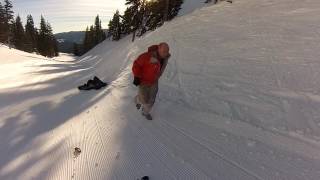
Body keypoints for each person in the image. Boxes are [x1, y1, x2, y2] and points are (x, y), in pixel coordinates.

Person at [132, 42, 171, 120]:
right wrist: (136, 76)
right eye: (164, 51)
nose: (165, 54)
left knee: (152, 99)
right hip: (143, 81)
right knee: (144, 99)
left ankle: (145, 112)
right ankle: (137, 100)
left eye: (167, 51)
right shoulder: (147, 56)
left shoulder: (165, 58)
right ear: (158, 49)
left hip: (154, 81)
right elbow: (136, 64)